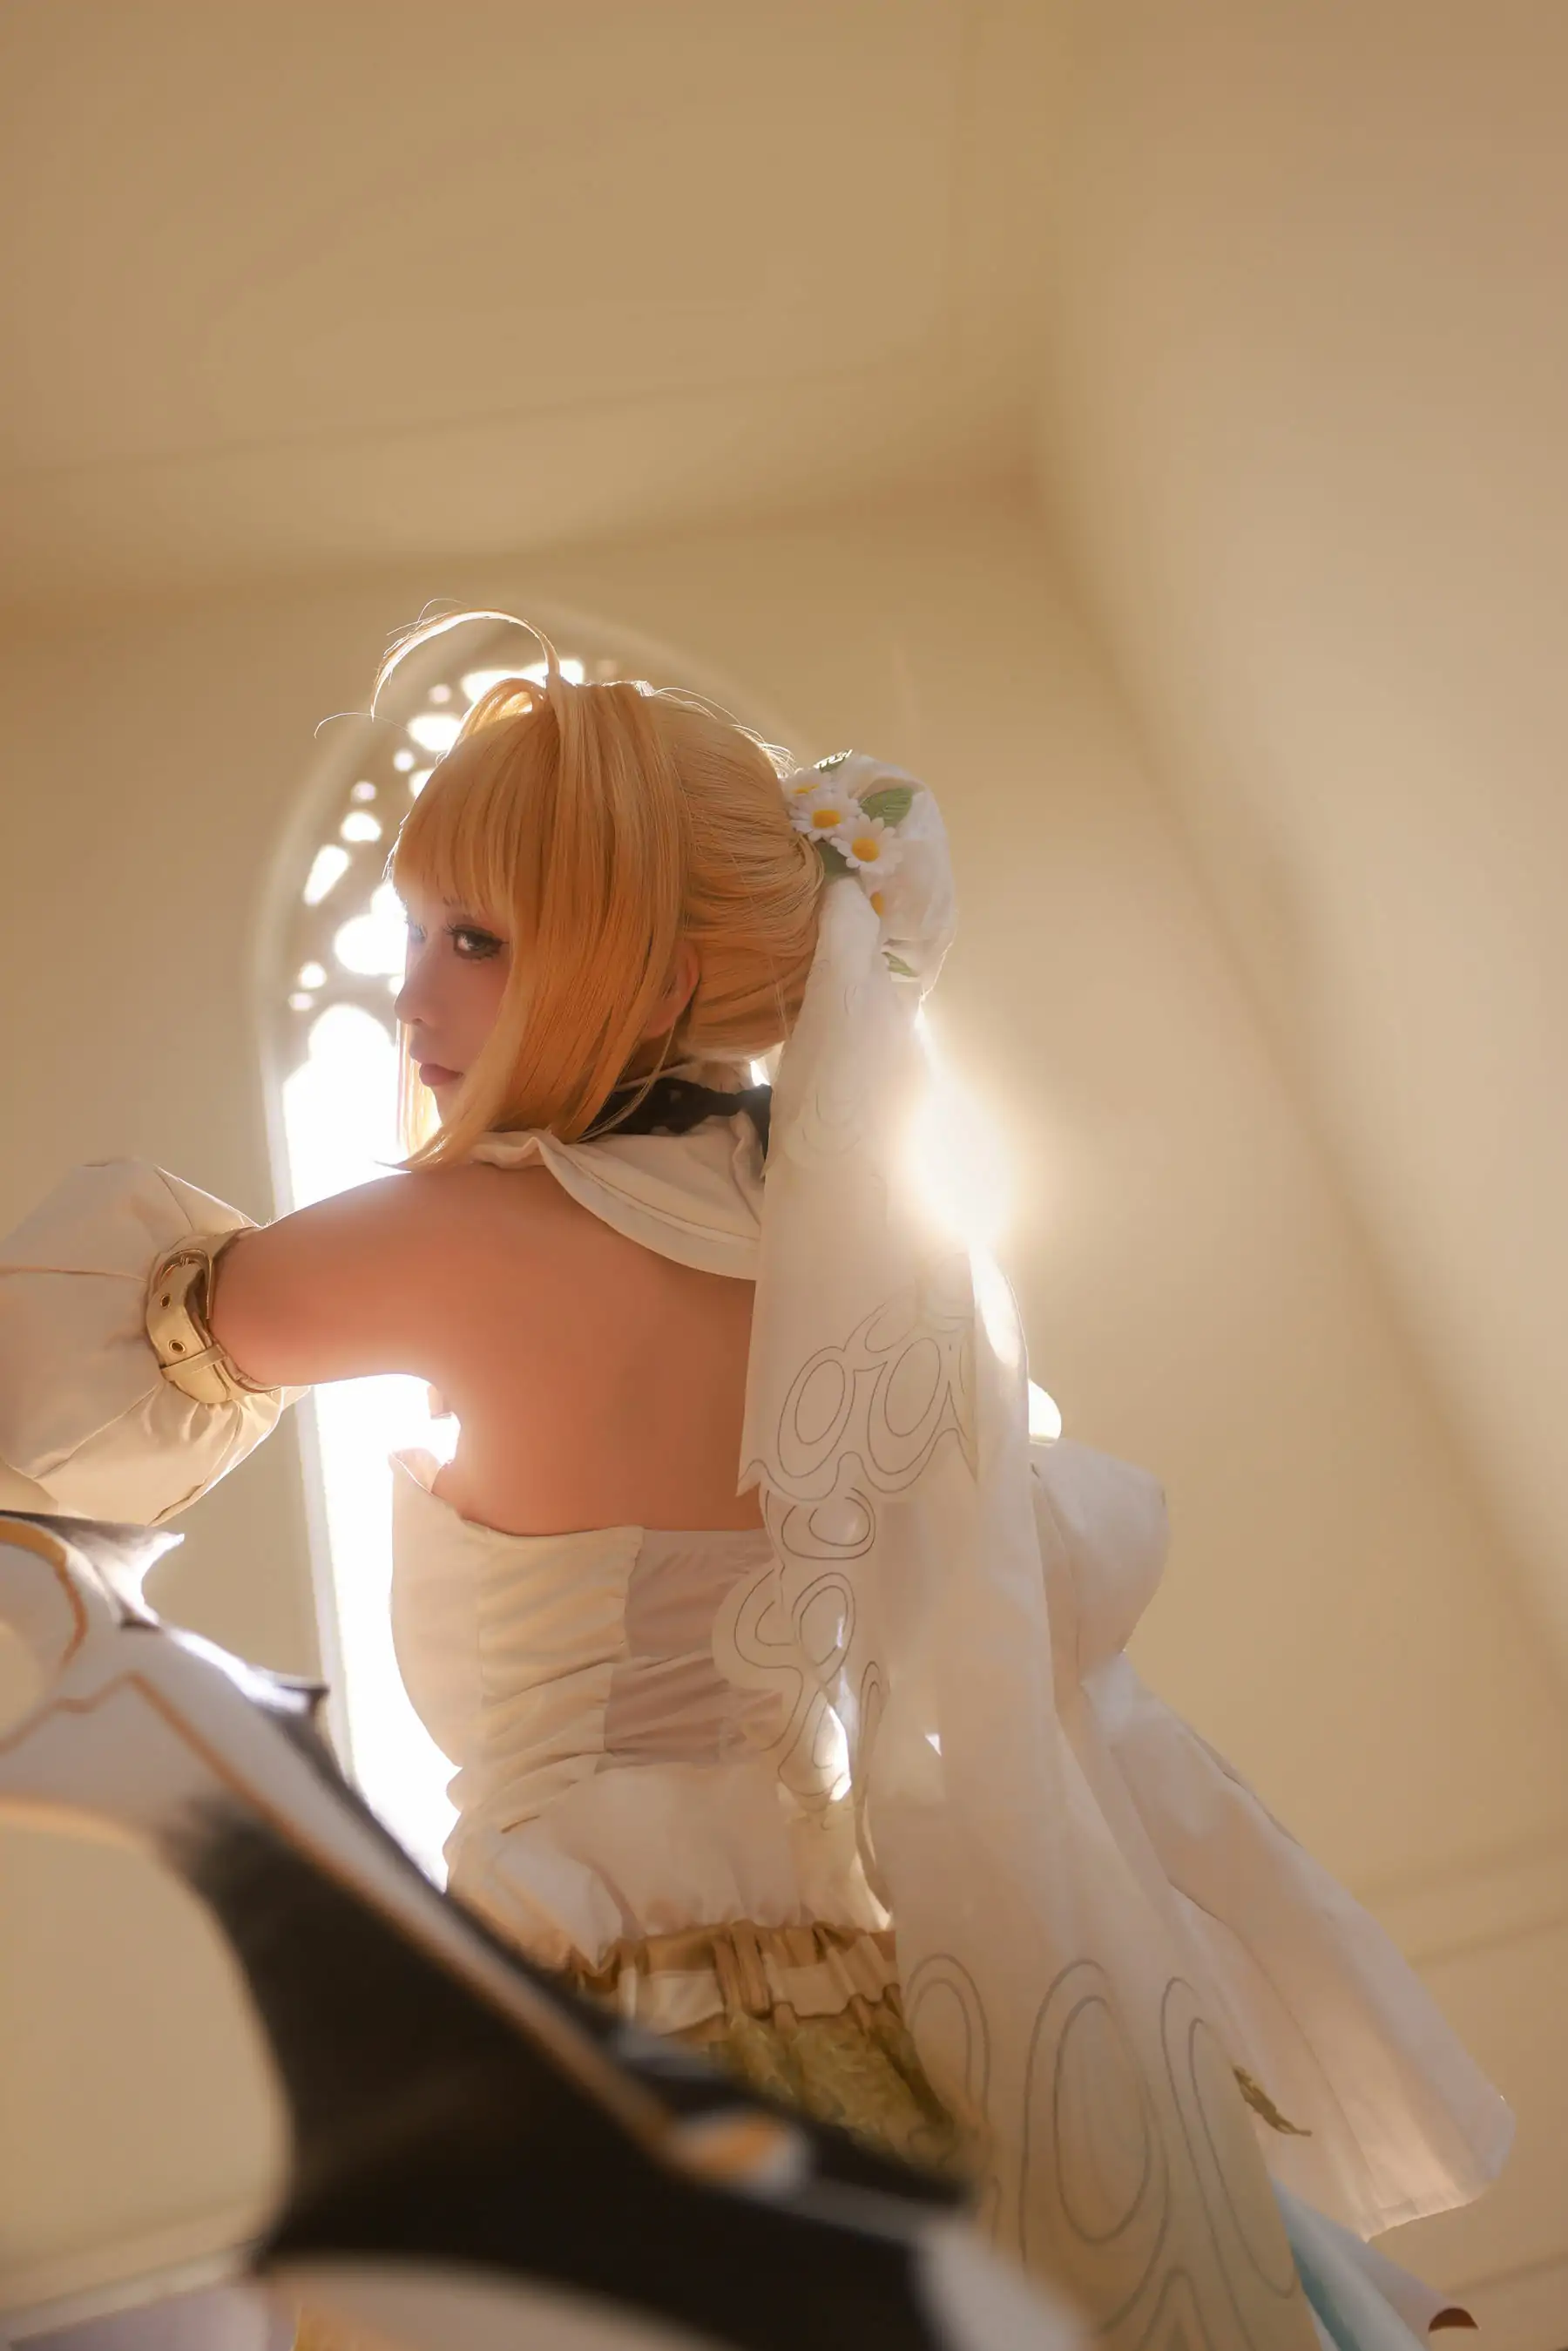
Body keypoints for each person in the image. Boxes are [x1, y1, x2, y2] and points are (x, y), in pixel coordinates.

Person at [0, 615, 1511, 2349]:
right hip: (905, 2002)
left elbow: (57, 1385)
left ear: (651, 977)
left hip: (620, 2018)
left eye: (475, 938)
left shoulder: (462, 1236)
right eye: (411, 933)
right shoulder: (869, 1264)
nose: (415, 995)